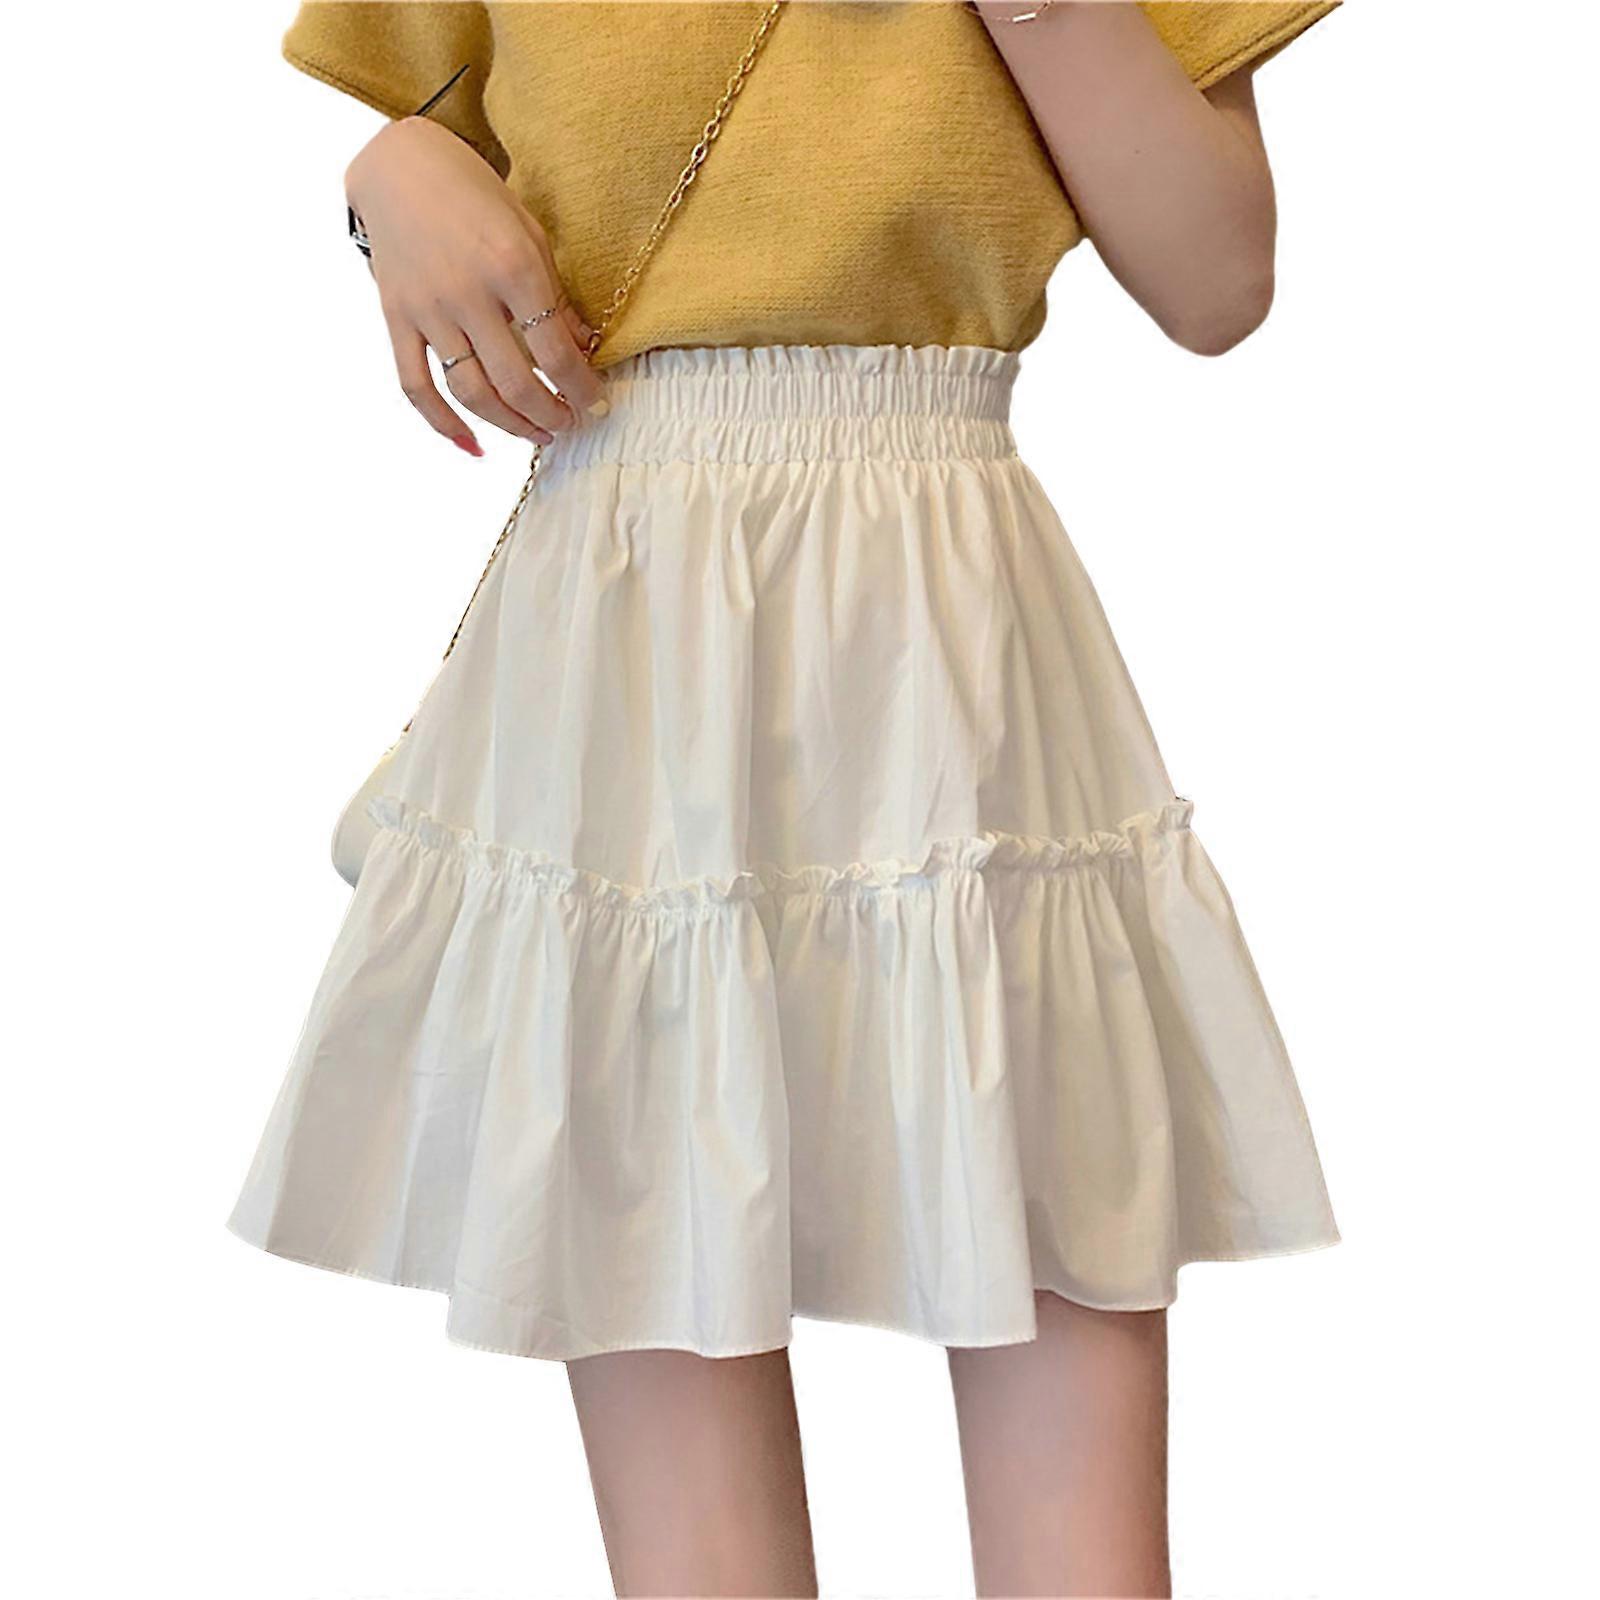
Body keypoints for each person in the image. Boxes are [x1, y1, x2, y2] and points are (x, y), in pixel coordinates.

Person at [228, 3, 1341, 1594]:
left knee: (1069, 1406)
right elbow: (448, 118)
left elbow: (1218, 279)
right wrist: (386, 171)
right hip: (628, 622)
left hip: (949, 614)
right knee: (684, 1458)